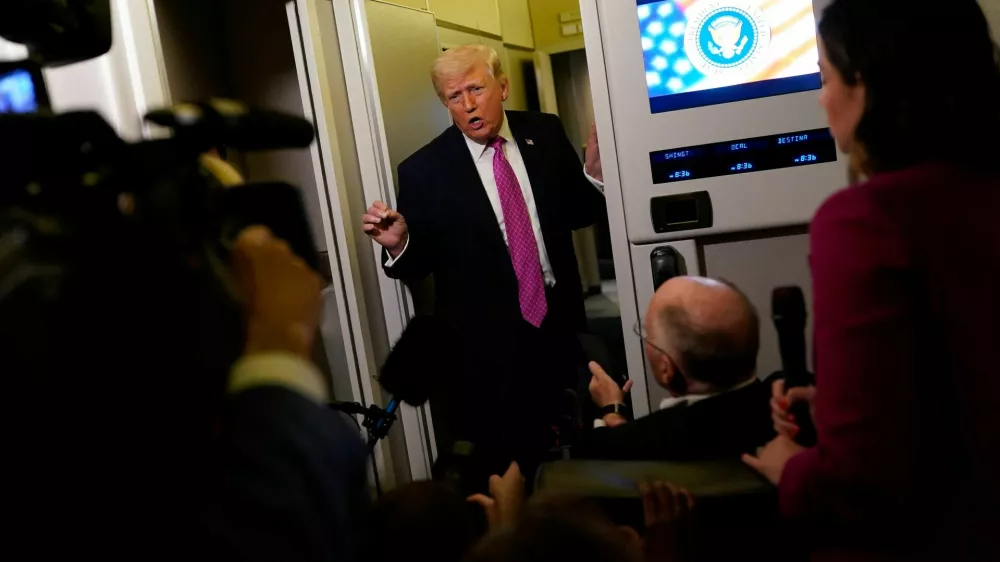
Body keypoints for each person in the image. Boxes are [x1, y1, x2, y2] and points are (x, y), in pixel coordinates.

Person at [742, 1, 1000, 559]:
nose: (821, 99)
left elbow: (858, 481)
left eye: (825, 78)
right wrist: (845, 402)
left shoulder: (865, 221)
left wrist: (792, 469)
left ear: (866, 83)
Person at [361, 44, 606, 475]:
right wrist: (398, 244)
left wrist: (595, 177)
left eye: (476, 89)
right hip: (486, 347)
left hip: (560, 321)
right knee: (508, 462)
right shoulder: (423, 170)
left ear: (503, 87)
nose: (468, 104)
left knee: (578, 450)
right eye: (454, 96)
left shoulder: (545, 132)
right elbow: (420, 265)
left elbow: (578, 215)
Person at [580, 277, 772, 461]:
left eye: (648, 335)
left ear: (667, 369)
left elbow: (607, 455)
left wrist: (611, 410)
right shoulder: (782, 413)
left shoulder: (630, 447)